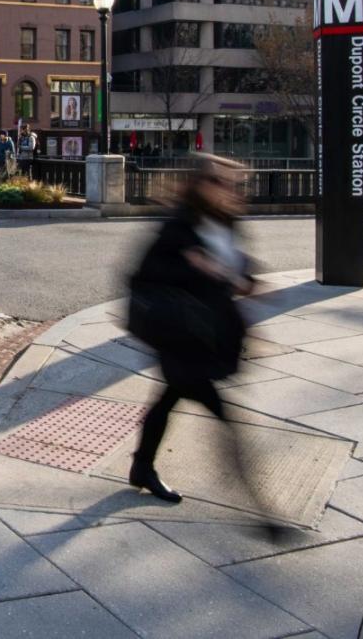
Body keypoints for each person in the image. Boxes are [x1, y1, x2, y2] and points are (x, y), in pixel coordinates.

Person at [126, 155, 256, 506]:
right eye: (220, 182)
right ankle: (261, 507)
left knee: (168, 397)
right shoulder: (178, 227)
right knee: (224, 414)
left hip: (202, 334)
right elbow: (143, 276)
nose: (229, 190)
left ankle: (142, 468)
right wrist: (197, 268)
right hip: (178, 333)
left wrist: (241, 278)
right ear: (199, 185)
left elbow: (237, 265)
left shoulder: (225, 221)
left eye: (234, 183)